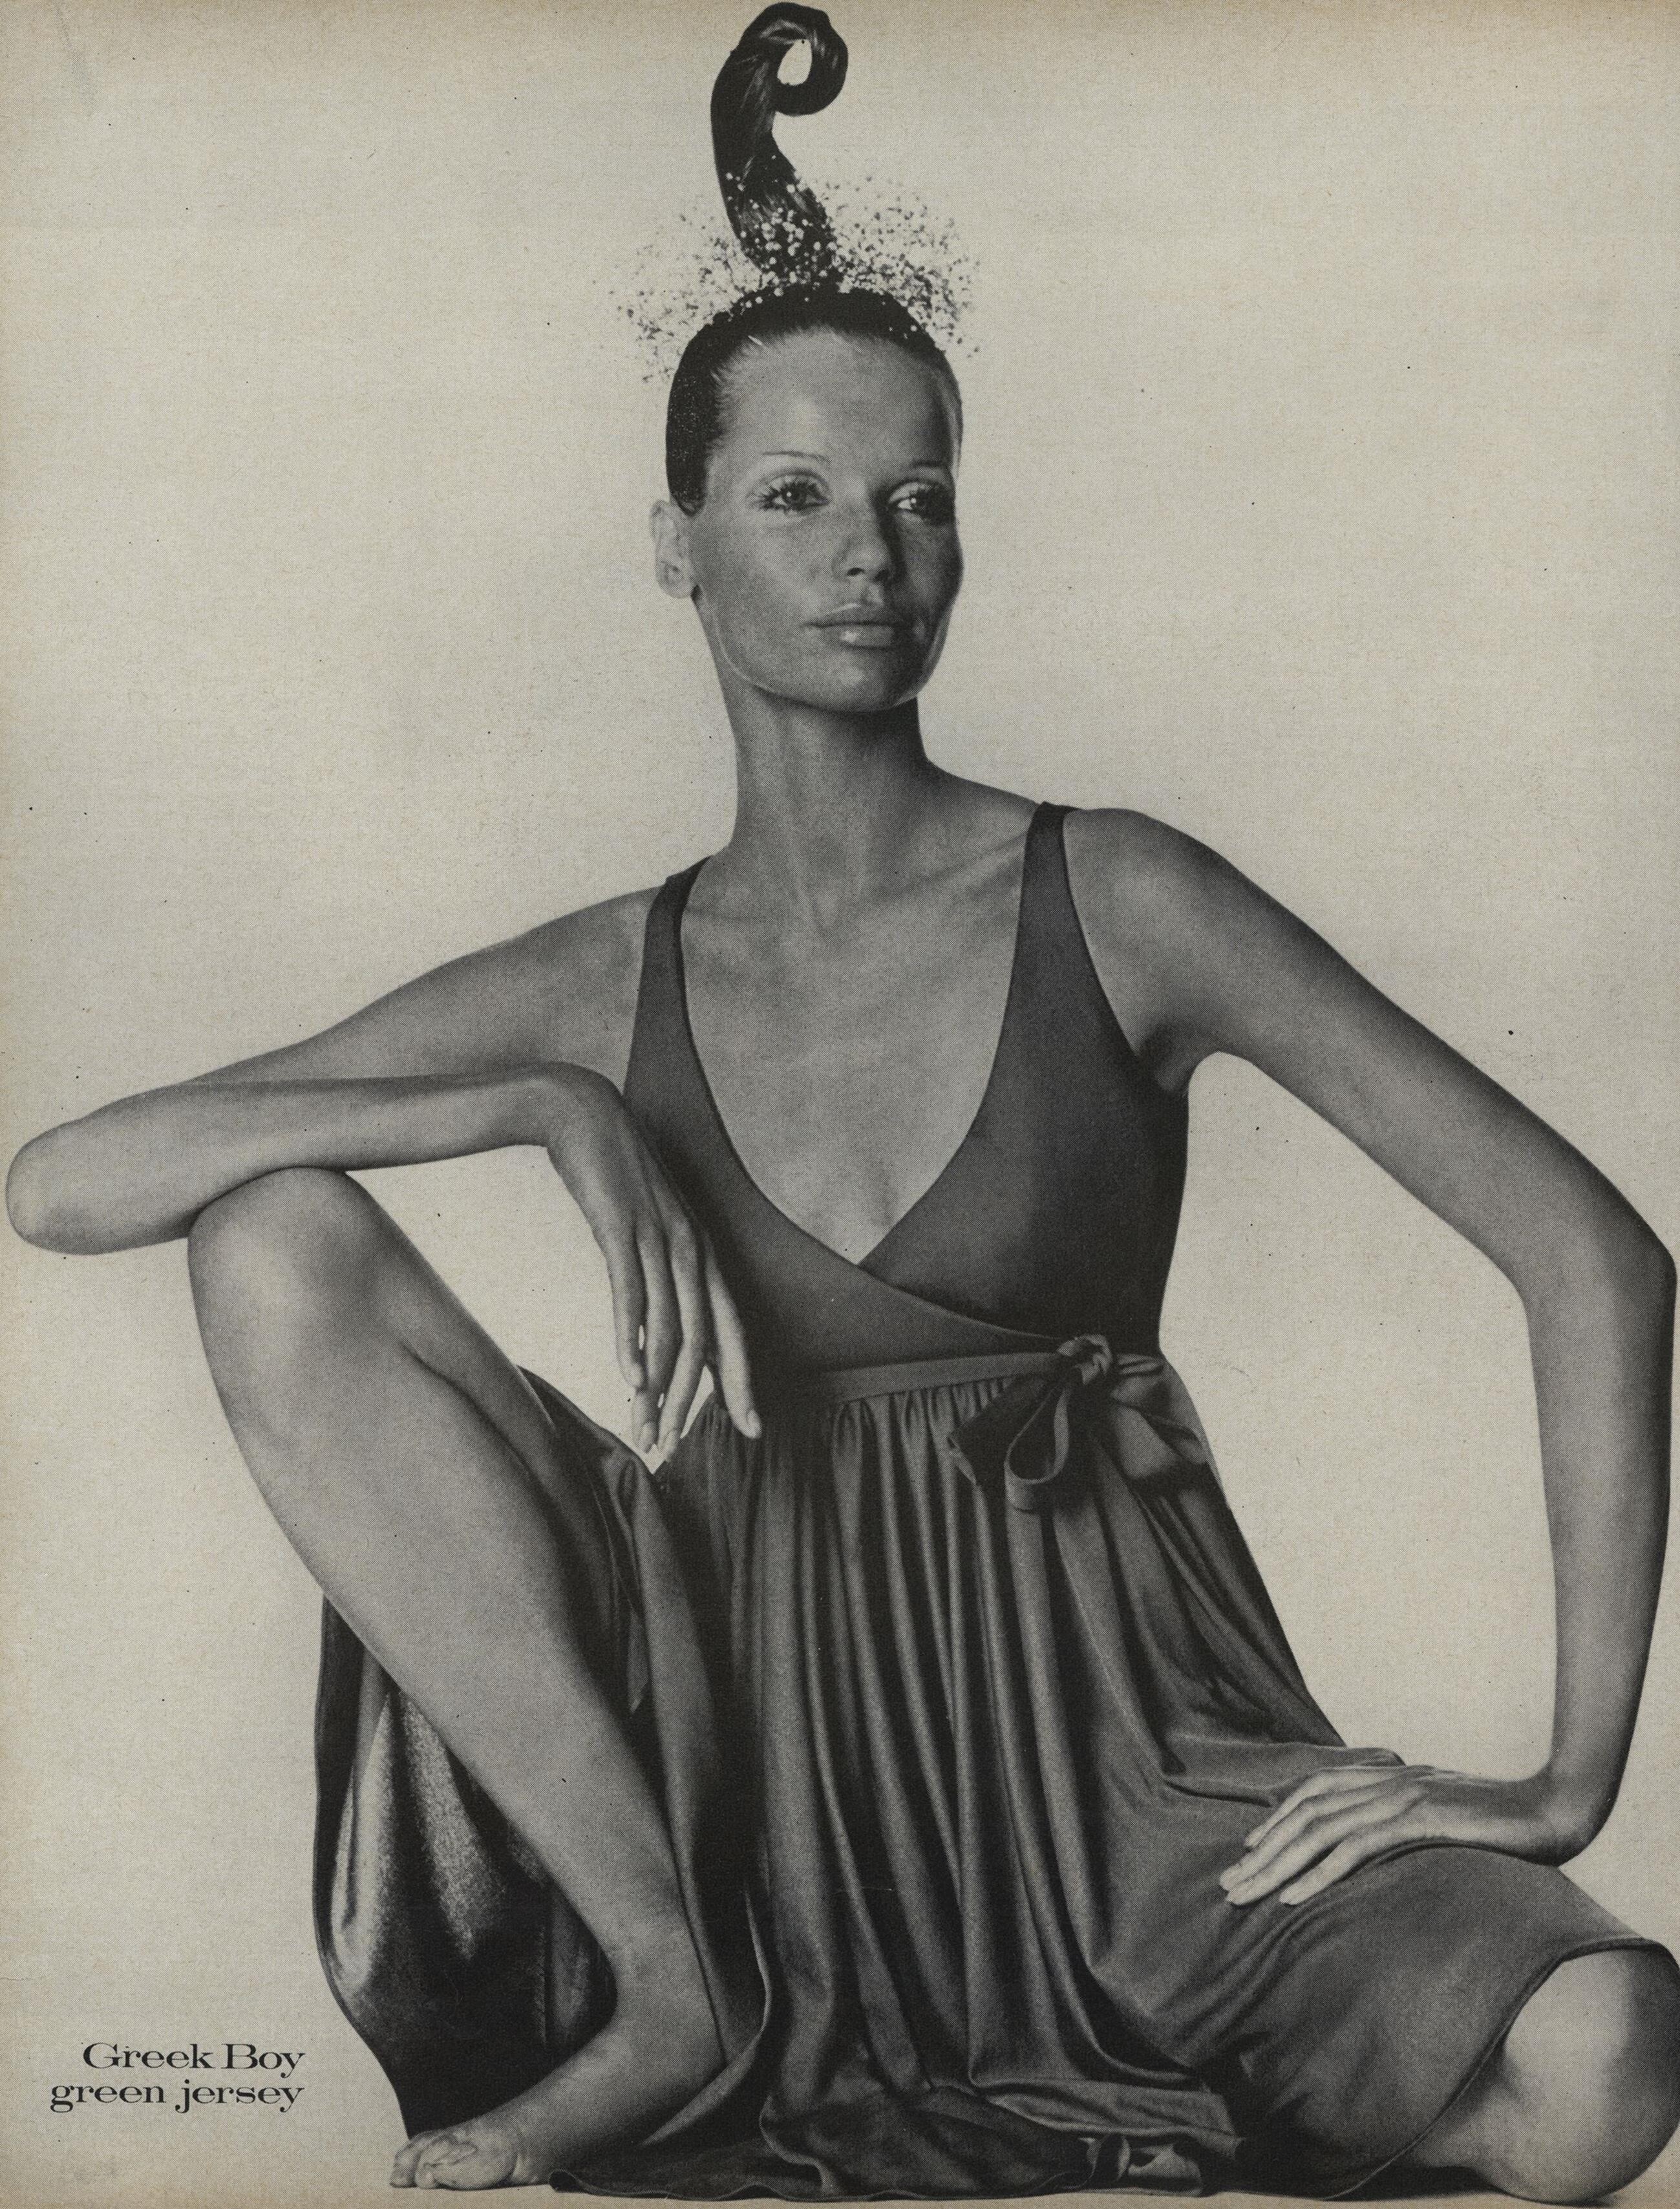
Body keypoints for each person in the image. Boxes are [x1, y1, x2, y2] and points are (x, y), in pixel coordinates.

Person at [8, 6, 1679, 2199]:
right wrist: (549, 1104)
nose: (870, 553)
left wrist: (1564, 1776)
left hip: (1136, 1770)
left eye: (918, 498)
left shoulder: (1121, 896)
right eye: (793, 496)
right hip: (748, 1773)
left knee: (1607, 2055)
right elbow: (62, 1180)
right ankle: (669, 1987)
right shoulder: (601, 978)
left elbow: (1592, 1252)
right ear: (678, 539)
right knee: (270, 1233)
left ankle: (1174, 2060)